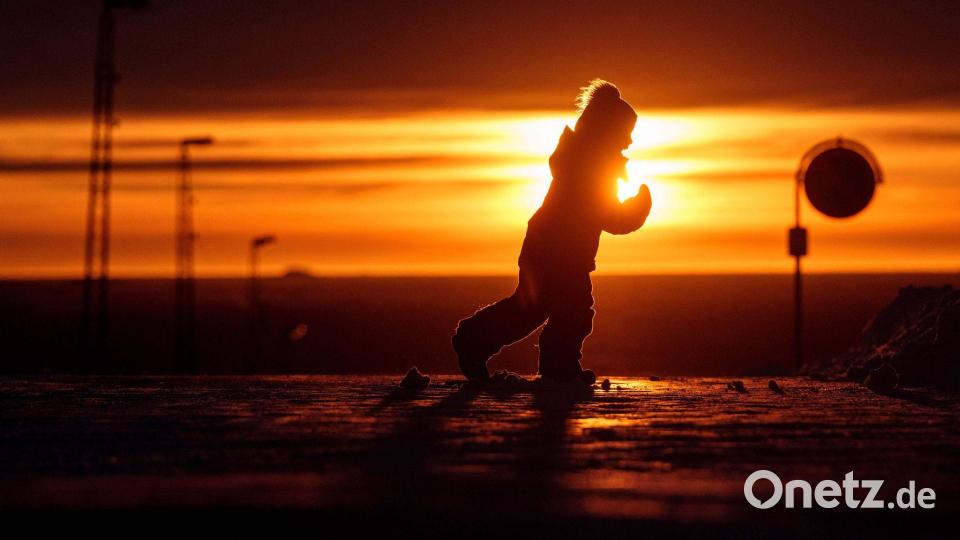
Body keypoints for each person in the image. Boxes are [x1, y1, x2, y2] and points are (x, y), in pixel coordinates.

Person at [453, 79, 652, 384]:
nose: (629, 142)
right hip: (559, 255)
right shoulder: (588, 167)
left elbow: (601, 213)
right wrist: (637, 211)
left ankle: (476, 340)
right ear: (607, 130)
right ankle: (556, 367)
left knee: (532, 309)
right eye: (626, 133)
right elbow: (608, 216)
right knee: (573, 310)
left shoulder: (585, 162)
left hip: (549, 250)